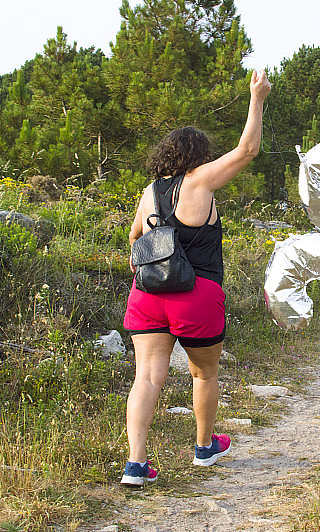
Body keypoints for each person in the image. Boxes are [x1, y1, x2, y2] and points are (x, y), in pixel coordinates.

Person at [120, 70, 272, 487]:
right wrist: (256, 98)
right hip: (197, 294)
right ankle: (204, 447)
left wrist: (143, 266)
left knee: (147, 376)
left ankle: (136, 464)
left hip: (148, 293)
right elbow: (247, 150)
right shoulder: (201, 181)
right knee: (203, 373)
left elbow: (134, 239)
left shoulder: (150, 192)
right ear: (199, 156)